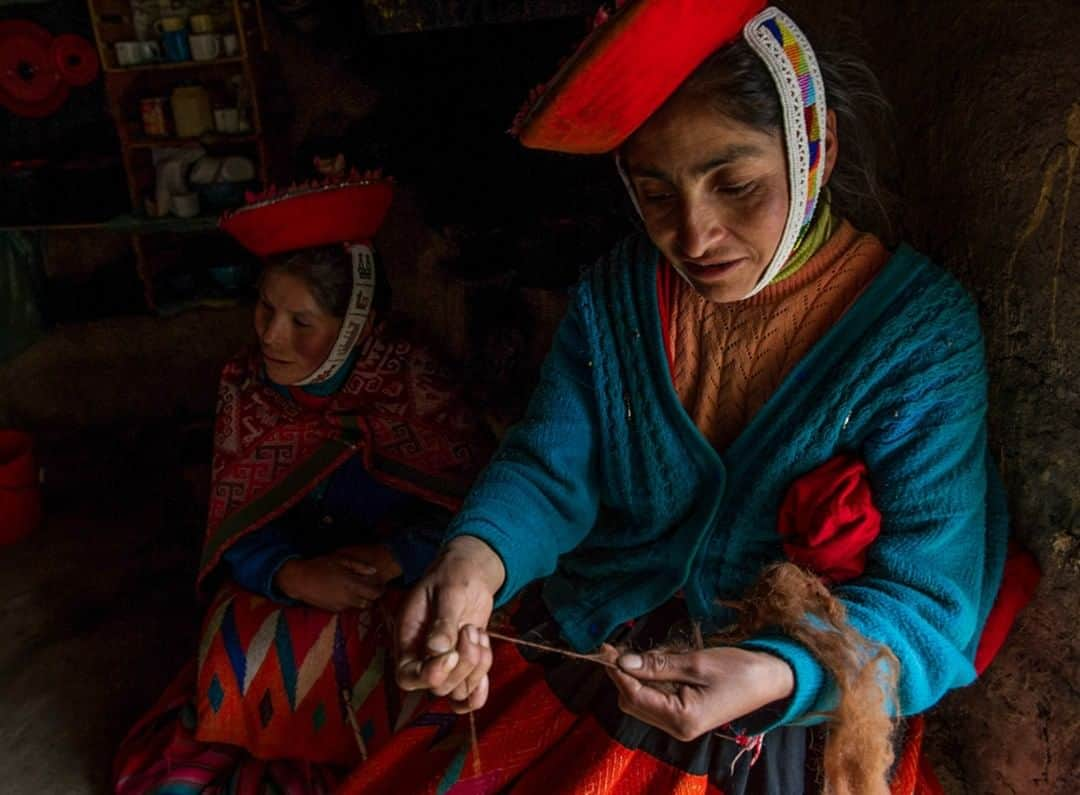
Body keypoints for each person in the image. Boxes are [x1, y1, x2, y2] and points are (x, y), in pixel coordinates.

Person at [339, 3, 1016, 794]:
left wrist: (776, 670)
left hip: (786, 713)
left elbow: (930, 602)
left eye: (736, 184)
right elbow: (551, 465)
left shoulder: (917, 335)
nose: (695, 236)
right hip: (598, 635)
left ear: (816, 152)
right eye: (656, 195)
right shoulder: (620, 295)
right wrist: (473, 562)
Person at [112, 176, 494, 793]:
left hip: (393, 584)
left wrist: (394, 558)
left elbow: (476, 517)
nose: (269, 336)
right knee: (233, 641)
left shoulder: (415, 385)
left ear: (357, 328)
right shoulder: (249, 386)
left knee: (423, 662)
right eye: (265, 308)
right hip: (286, 577)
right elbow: (233, 521)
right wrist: (291, 574)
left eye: (301, 321)